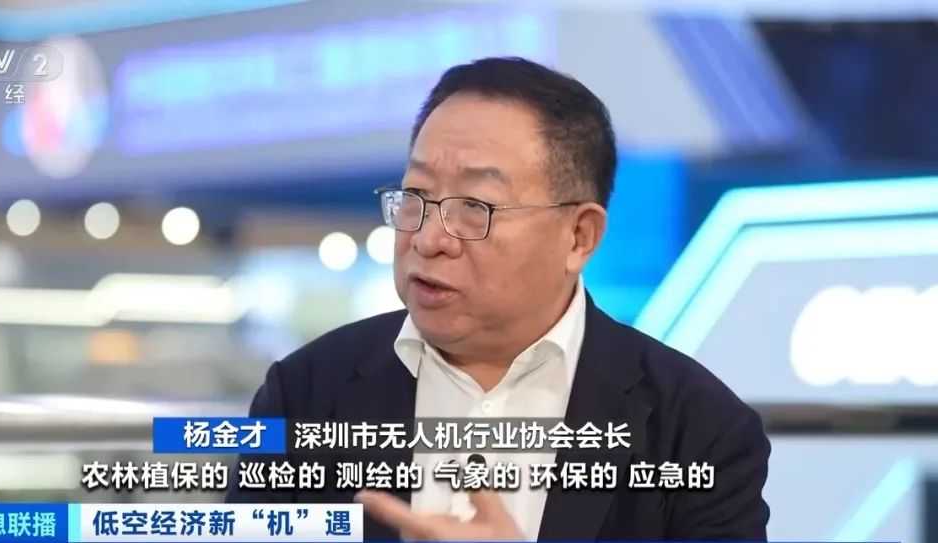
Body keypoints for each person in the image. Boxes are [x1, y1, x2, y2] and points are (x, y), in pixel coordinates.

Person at [226, 56, 770, 541]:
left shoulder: (698, 428)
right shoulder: (305, 392)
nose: (429, 238)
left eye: (475, 207)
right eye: (416, 196)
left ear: (578, 237)